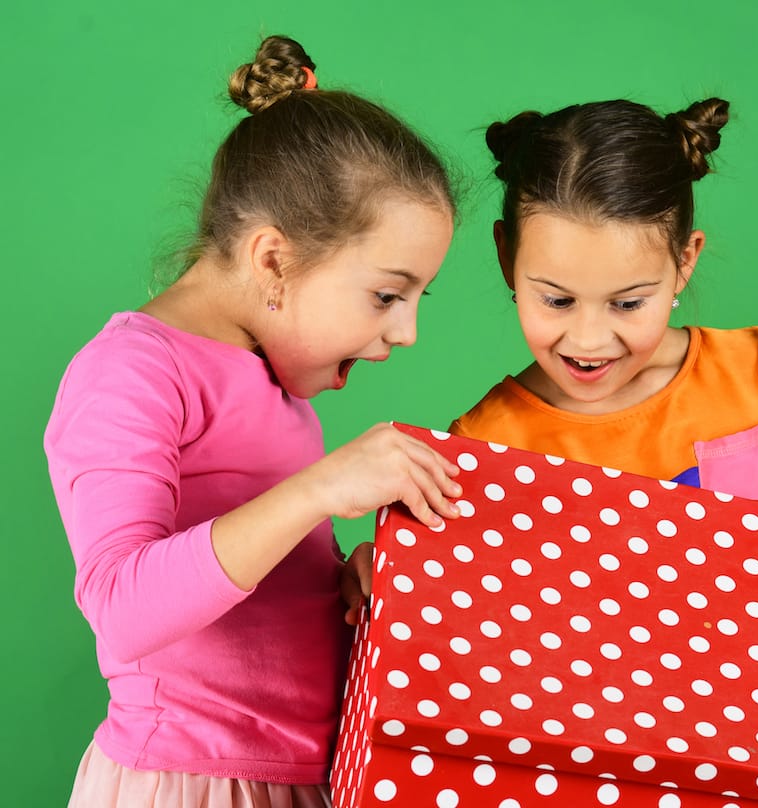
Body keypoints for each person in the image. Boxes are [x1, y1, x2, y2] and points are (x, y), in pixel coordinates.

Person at [44, 35, 461, 807]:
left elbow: (256, 587)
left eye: (415, 301)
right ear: (273, 260)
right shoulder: (132, 372)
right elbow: (123, 612)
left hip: (312, 774)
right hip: (192, 781)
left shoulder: (278, 383)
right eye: (385, 295)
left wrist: (348, 584)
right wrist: (316, 490)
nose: (405, 334)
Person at [449, 97, 758, 645]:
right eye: (556, 300)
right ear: (507, 258)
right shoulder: (480, 449)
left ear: (684, 262)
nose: (589, 339)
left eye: (628, 304)